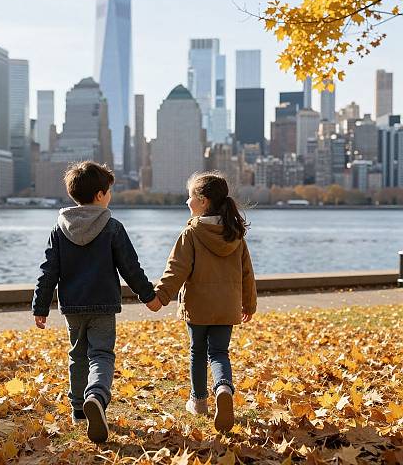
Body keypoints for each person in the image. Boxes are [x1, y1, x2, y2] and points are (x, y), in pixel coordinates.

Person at [32, 161, 159, 443]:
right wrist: (148, 296)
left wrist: (40, 308)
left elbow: (48, 271)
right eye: (109, 192)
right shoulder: (112, 227)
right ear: (101, 195)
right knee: (101, 355)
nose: (110, 196)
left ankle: (79, 411)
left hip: (72, 308)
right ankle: (97, 398)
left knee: (77, 355)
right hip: (103, 304)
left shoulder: (59, 229)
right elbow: (130, 267)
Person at [151, 171, 257, 432]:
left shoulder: (191, 233)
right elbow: (247, 273)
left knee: (198, 352)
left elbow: (176, 269)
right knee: (219, 353)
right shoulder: (235, 234)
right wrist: (249, 304)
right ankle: (223, 388)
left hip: (197, 306)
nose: (187, 202)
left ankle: (199, 402)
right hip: (227, 307)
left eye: (190, 197)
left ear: (203, 201)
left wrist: (160, 297)